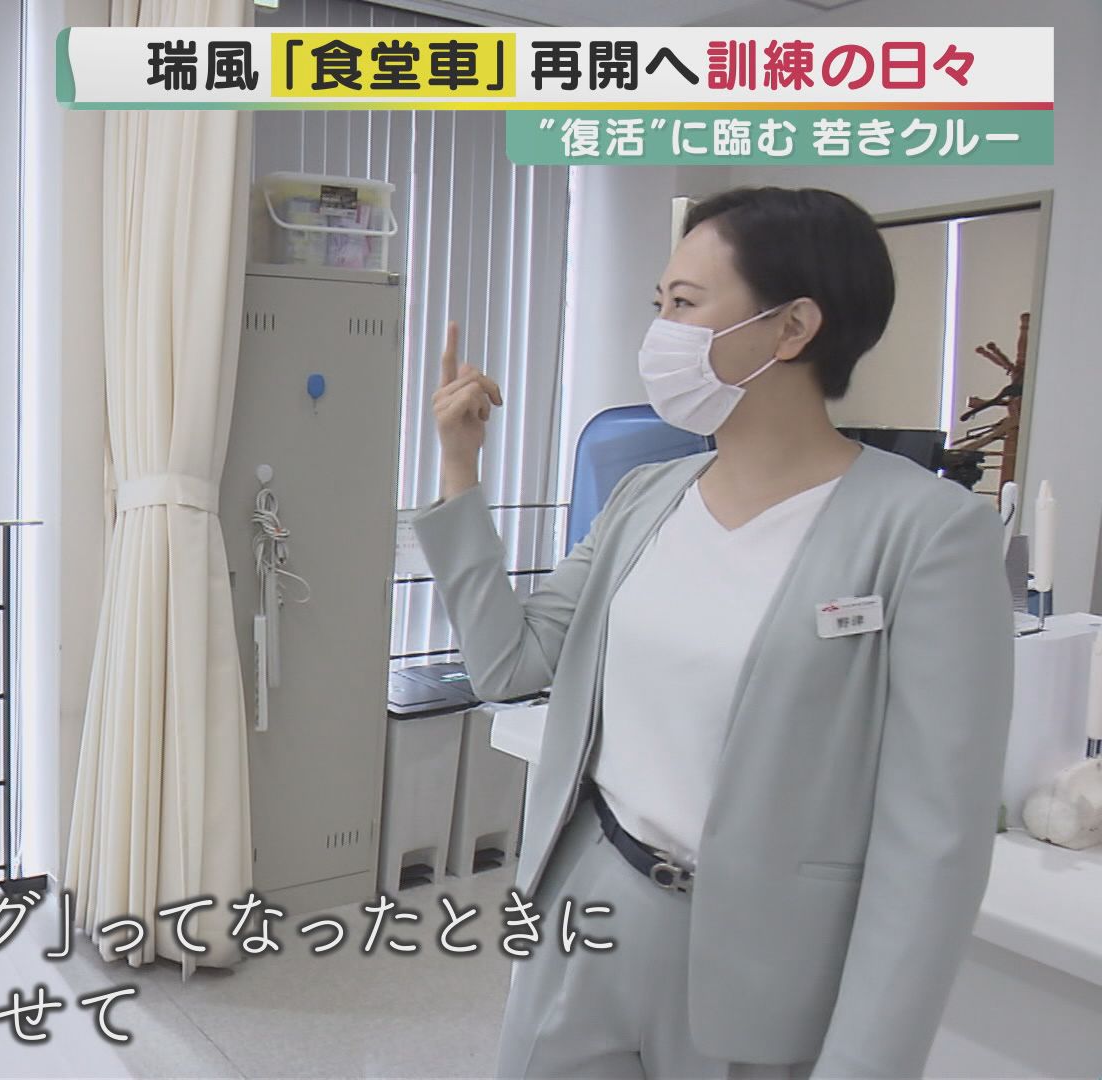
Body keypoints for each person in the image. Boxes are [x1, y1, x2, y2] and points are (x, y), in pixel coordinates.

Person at [415, 187, 1012, 1078]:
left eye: (685, 304)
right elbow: (509, 664)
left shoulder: (926, 532)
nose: (660, 332)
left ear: (792, 327)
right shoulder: (646, 497)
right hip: (592, 897)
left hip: (766, 956)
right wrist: (459, 465)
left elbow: (933, 846)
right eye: (659, 304)